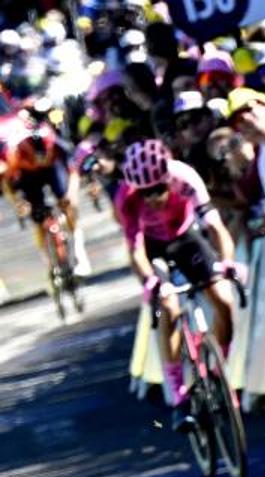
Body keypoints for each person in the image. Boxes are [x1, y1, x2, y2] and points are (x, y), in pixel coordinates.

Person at [115, 139, 238, 432]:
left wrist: (227, 262)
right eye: (146, 193)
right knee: (168, 307)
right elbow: (135, 251)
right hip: (155, 248)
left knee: (224, 300)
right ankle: (179, 396)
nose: (154, 197)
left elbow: (215, 227)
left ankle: (218, 372)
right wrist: (151, 281)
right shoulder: (126, 198)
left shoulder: (185, 177)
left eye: (159, 189)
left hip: (185, 239)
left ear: (168, 177)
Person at [1, 121, 92, 277]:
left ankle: (79, 253)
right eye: (38, 157)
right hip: (28, 174)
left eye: (44, 155)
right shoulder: (14, 153)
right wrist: (18, 203)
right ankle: (50, 262)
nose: (41, 159)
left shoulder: (56, 145)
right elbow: (6, 183)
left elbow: (73, 172)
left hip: (53, 168)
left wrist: (71, 196)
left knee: (68, 204)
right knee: (37, 215)